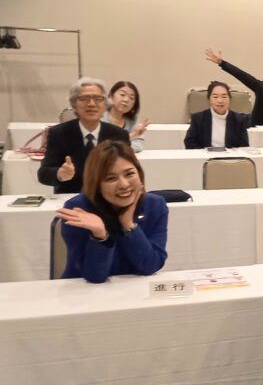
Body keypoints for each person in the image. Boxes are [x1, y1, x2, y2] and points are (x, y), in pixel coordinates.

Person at [56, 140, 168, 283]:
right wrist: (100, 236)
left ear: (139, 173)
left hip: (135, 290)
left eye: (129, 174)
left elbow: (151, 266)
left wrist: (129, 225)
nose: (124, 184)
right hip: (84, 292)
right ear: (96, 184)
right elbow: (94, 276)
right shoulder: (77, 208)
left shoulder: (155, 205)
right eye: (111, 178)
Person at [38, 77, 131, 194]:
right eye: (84, 99)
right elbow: (43, 173)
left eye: (98, 99)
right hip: (71, 197)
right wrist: (60, 174)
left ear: (105, 105)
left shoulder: (119, 135)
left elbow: (129, 171)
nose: (91, 104)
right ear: (74, 105)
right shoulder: (58, 133)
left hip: (110, 197)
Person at [183, 81, 251, 149]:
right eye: (215, 97)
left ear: (230, 99)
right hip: (205, 155)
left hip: (231, 155)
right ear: (209, 99)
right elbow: (189, 142)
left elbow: (244, 146)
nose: (220, 101)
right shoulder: (198, 118)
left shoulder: (239, 120)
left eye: (224, 97)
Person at [102, 80, 149, 153]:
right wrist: (128, 138)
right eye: (122, 95)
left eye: (131, 98)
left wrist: (115, 148)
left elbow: (138, 145)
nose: (126, 100)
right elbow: (100, 145)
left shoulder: (133, 120)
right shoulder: (100, 117)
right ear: (111, 96)